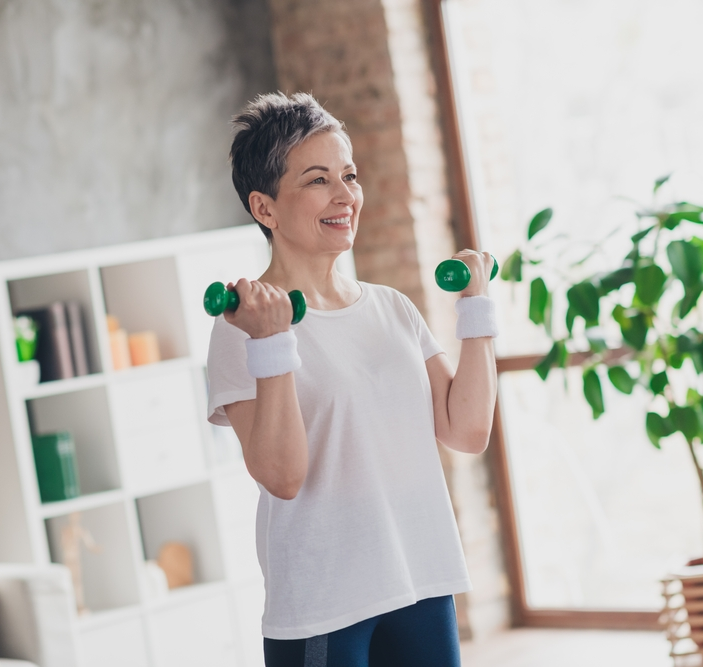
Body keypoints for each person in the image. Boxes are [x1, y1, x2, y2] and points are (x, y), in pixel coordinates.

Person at [206, 92, 498, 667]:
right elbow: (283, 476)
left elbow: (466, 430)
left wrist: (477, 308)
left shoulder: (391, 308)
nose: (345, 196)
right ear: (265, 208)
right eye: (317, 180)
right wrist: (272, 342)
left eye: (350, 175)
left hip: (420, 579)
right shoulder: (244, 326)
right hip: (326, 604)